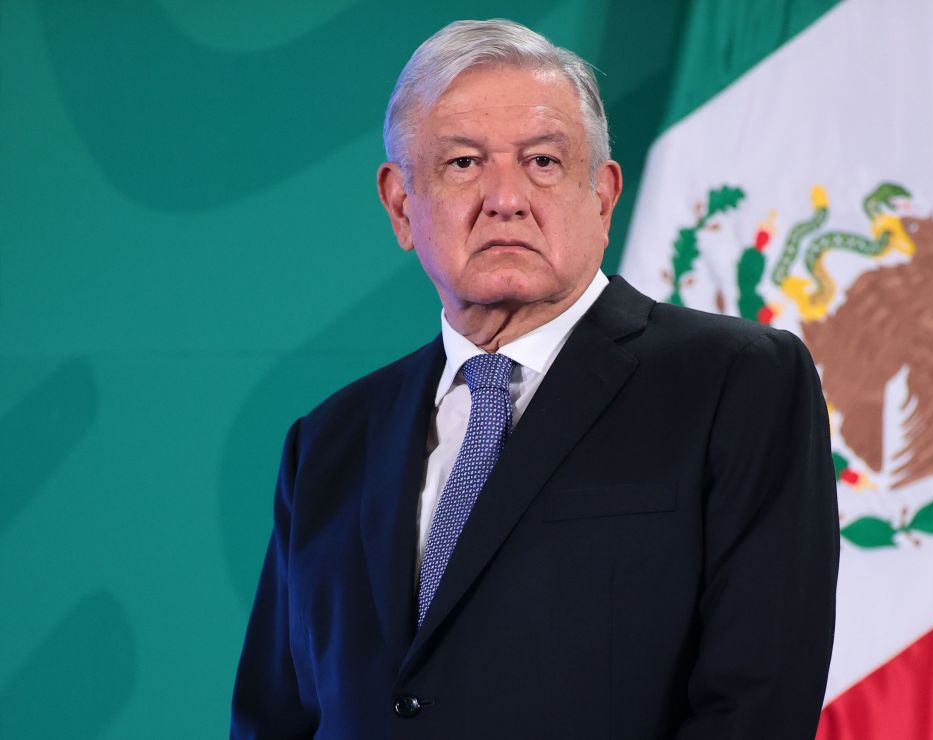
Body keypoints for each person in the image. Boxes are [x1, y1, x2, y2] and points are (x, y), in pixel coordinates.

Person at [232, 18, 838, 740]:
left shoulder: (735, 383)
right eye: (463, 163)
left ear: (604, 195)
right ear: (401, 204)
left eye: (543, 162)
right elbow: (275, 720)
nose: (506, 198)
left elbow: (754, 709)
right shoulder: (328, 443)